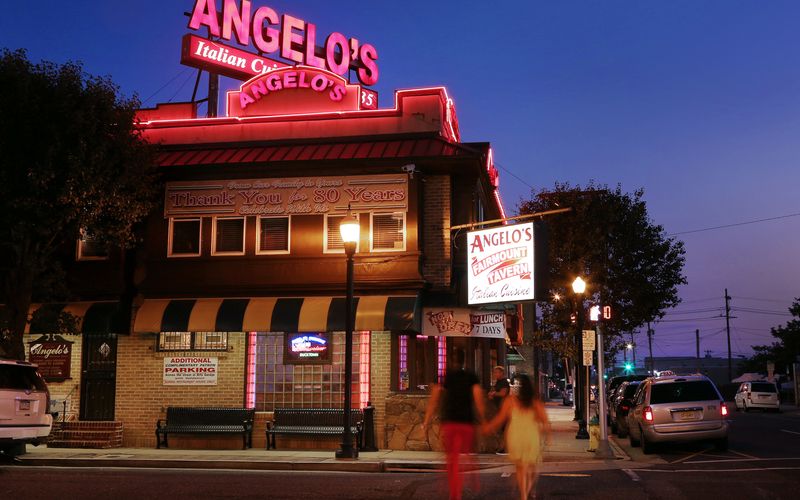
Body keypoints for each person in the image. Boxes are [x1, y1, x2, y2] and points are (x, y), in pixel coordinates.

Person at [423, 348, 486, 500]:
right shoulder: (472, 377)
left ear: (451, 360)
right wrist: (483, 420)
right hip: (466, 422)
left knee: (452, 458)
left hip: (450, 422)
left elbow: (434, 400)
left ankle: (454, 493)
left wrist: (426, 421)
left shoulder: (446, 378)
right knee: (470, 454)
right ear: (464, 360)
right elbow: (478, 401)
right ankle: (473, 480)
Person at [482, 374, 550, 500]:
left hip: (515, 437)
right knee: (531, 467)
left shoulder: (510, 401)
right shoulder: (535, 402)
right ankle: (527, 491)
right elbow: (545, 420)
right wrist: (548, 437)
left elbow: (500, 418)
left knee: (520, 468)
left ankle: (523, 495)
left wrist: (488, 427)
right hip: (531, 437)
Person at [487, 366, 510, 454]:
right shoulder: (498, 382)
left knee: (504, 429)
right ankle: (502, 447)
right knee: (501, 429)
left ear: (502, 373)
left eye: (497, 372)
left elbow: (503, 393)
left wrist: (494, 393)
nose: (495, 374)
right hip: (499, 408)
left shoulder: (504, 382)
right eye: (494, 372)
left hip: (504, 408)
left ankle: (505, 448)